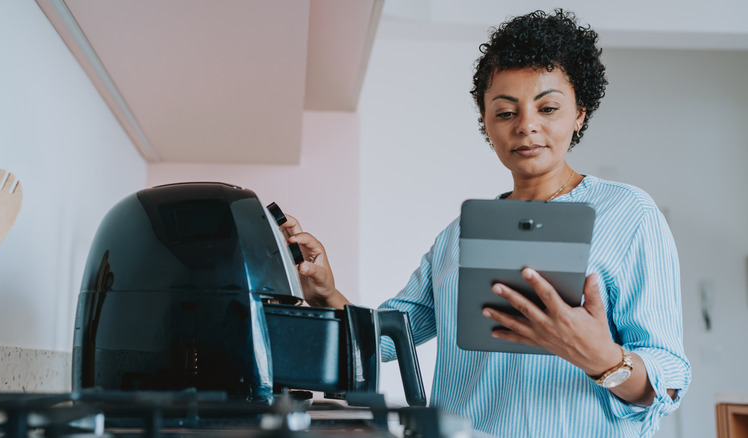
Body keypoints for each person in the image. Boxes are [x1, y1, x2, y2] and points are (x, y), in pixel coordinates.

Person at [280, 9, 690, 438]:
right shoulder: (460, 234)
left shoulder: (629, 214)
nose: (527, 126)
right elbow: (385, 338)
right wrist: (326, 293)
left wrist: (600, 357)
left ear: (580, 113)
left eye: (548, 107)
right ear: (487, 124)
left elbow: (670, 379)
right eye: (505, 112)